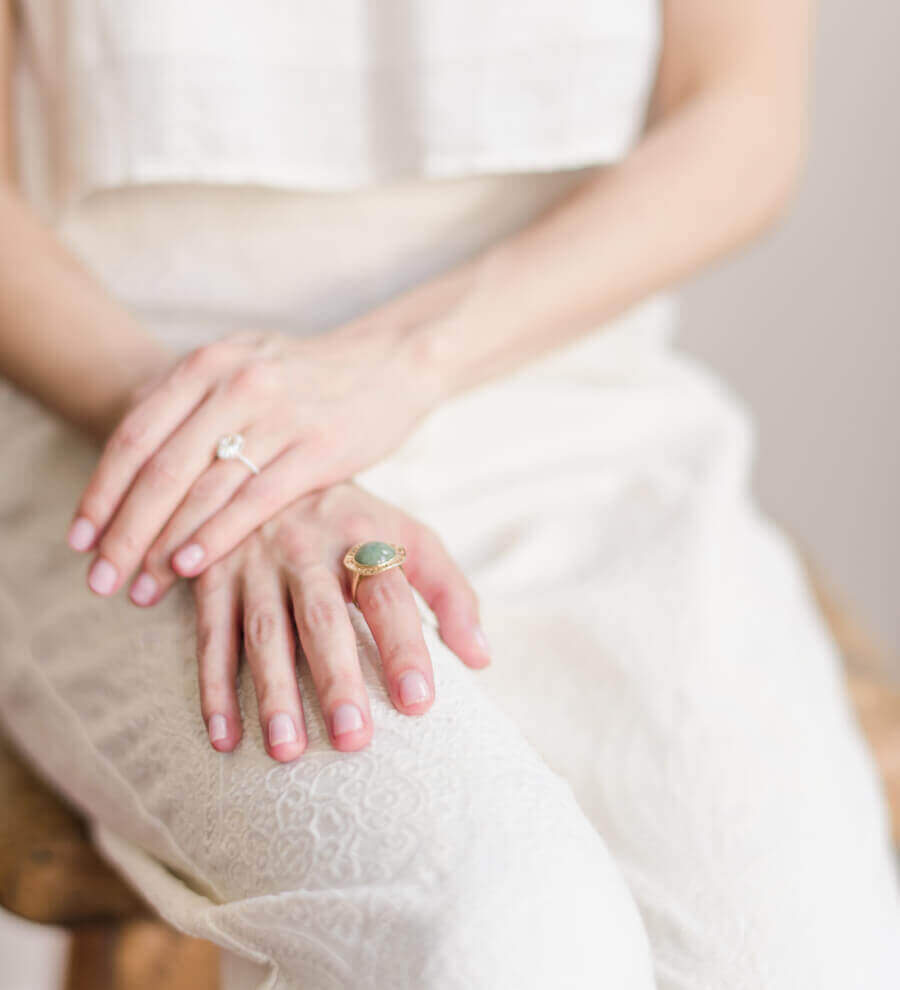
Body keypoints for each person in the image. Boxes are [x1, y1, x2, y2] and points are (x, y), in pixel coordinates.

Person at [1, 1, 898, 987]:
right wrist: (224, 450)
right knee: (499, 939)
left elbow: (741, 120)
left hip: (579, 414)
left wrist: (400, 362)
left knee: (801, 960)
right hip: (134, 437)